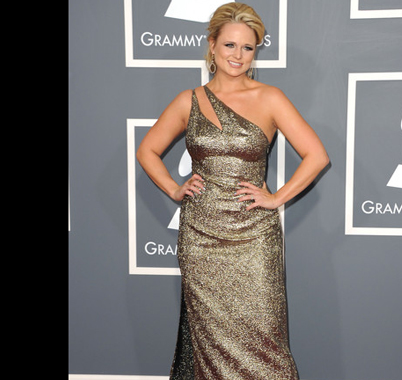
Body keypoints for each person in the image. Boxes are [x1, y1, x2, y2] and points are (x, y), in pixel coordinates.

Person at [136, 3, 329, 379]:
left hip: (254, 236)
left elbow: (316, 155)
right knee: (209, 339)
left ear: (256, 51)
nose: (238, 56)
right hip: (201, 237)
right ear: (212, 46)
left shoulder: (270, 98)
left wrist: (275, 198)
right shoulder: (187, 101)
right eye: (229, 46)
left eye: (247, 47)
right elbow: (147, 150)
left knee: (264, 342)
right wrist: (176, 189)